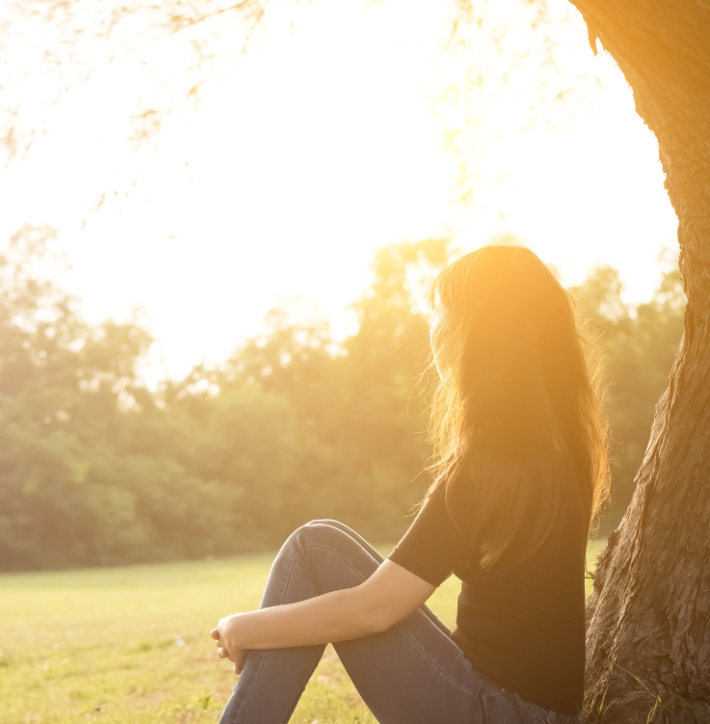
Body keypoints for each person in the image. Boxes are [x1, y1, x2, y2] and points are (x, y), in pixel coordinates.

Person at [211, 245, 608, 724]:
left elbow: (374, 609)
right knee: (321, 549)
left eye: (440, 317)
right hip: (521, 708)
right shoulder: (564, 451)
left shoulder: (487, 466)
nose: (432, 333)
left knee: (314, 548)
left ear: (477, 336)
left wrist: (243, 628)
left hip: (495, 711)